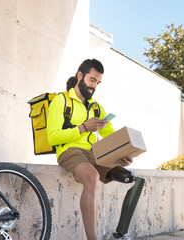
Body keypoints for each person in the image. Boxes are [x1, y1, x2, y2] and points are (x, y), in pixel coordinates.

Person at [47, 59, 134, 240]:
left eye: (98, 82)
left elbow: (110, 136)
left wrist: (122, 153)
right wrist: (83, 128)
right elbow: (52, 137)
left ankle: (118, 235)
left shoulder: (96, 107)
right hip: (69, 151)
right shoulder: (60, 100)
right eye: (92, 80)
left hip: (94, 153)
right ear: (80, 76)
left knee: (130, 177)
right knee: (92, 177)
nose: (94, 85)